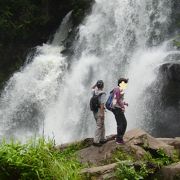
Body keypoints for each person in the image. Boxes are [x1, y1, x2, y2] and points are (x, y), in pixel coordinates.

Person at [112, 78, 128, 144]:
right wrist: (122, 107)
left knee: (122, 123)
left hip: (116, 108)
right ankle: (119, 139)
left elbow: (117, 99)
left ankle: (119, 138)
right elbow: (118, 100)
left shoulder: (116, 89)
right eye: (125, 83)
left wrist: (124, 103)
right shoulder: (119, 89)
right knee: (122, 123)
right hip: (117, 109)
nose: (126, 85)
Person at [91, 80, 107, 146]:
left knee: (102, 124)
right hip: (99, 111)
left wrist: (95, 84)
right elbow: (102, 105)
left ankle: (102, 139)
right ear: (103, 86)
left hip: (94, 111)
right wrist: (102, 114)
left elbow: (92, 88)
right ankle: (96, 141)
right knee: (99, 125)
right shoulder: (102, 93)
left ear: (97, 86)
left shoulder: (94, 92)